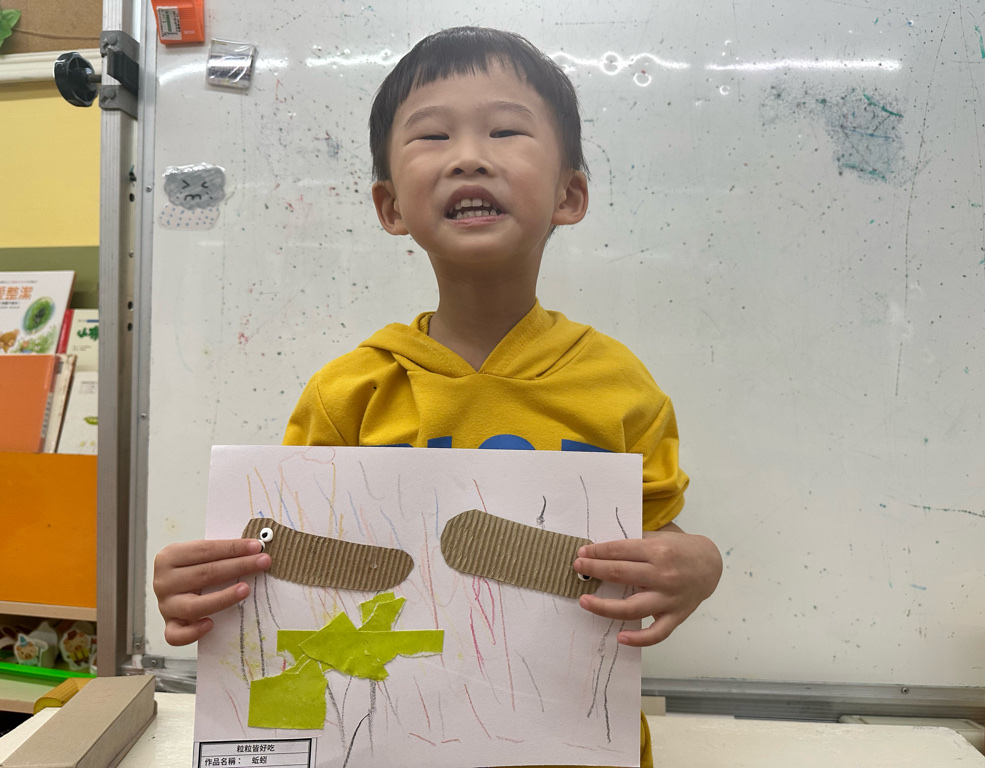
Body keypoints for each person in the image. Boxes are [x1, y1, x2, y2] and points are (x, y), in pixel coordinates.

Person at [153, 26, 723, 768]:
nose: (468, 156)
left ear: (570, 194)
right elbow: (284, 562)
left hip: (574, 745)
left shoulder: (618, 386)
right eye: (432, 135)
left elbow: (656, 543)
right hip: (384, 740)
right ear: (390, 206)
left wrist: (699, 564)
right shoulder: (351, 391)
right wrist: (200, 583)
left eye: (506, 130)